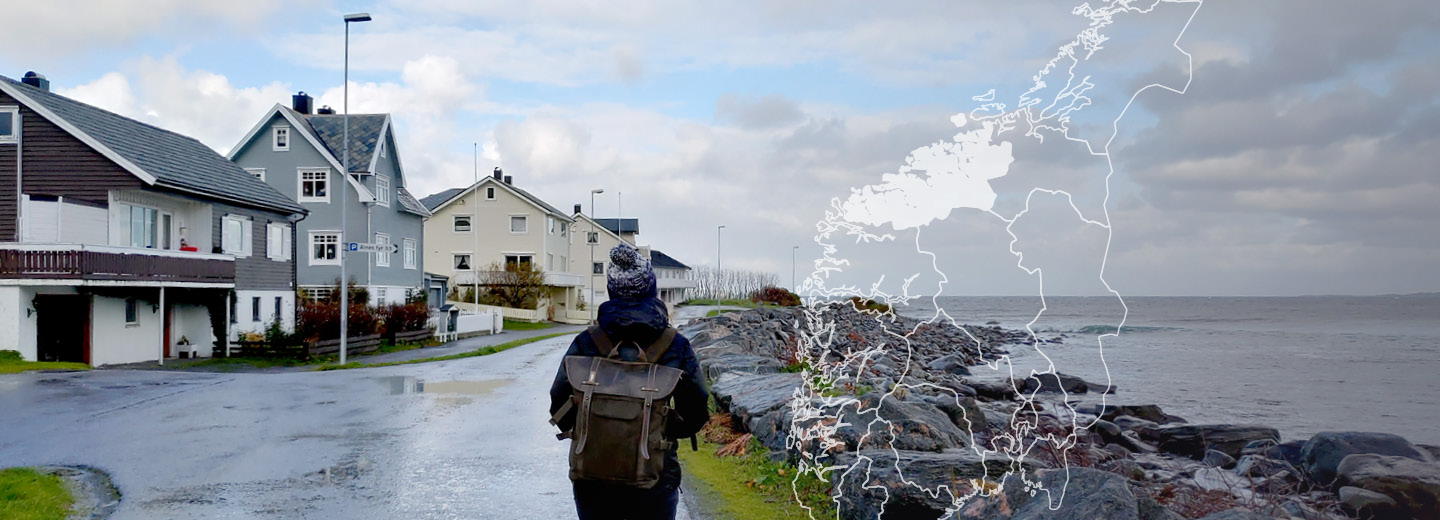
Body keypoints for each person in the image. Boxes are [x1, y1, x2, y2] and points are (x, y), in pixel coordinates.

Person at [549, 243, 710, 520]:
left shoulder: (587, 341)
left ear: (612, 290)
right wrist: (656, 429)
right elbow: (696, 409)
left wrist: (599, 428)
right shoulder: (675, 345)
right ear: (651, 288)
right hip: (655, 476)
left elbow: (559, 403)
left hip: (592, 475)